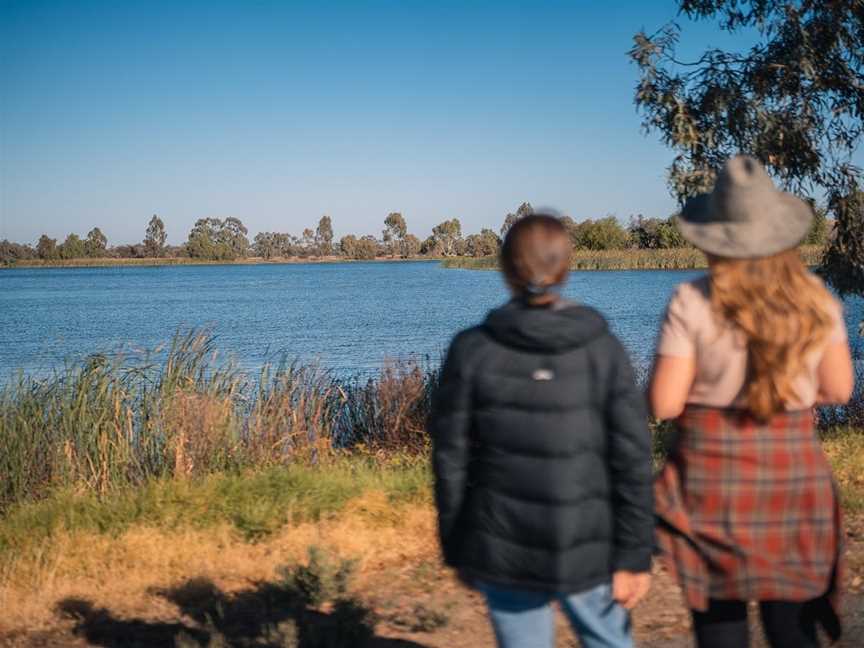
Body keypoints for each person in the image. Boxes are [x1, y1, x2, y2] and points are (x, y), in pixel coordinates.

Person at [649, 155, 855, 648]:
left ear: (715, 235)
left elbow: (664, 403)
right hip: (791, 474)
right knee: (792, 625)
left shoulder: (690, 300)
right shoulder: (817, 298)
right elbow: (839, 390)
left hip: (711, 483)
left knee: (721, 622)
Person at [429, 213, 654, 648]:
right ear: (566, 267)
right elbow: (632, 456)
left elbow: (450, 458)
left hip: (503, 545)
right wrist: (633, 554)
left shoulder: (472, 350)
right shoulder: (600, 347)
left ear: (506, 268)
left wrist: (457, 546)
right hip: (591, 543)